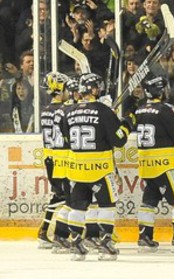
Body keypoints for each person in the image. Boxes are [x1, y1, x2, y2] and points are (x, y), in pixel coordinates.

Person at [59, 72, 129, 260]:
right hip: (100, 169)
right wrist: (126, 125)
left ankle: (75, 244)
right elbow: (119, 140)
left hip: (76, 169)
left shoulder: (68, 111)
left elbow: (65, 137)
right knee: (106, 205)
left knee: (78, 207)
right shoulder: (103, 111)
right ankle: (105, 243)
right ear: (95, 89)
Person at [125, 74, 174, 252]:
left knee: (149, 201)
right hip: (165, 163)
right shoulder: (164, 109)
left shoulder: (139, 109)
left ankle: (144, 236)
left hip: (146, 164)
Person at [37, 72, 71, 251]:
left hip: (50, 157)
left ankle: (44, 232)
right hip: (60, 159)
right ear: (60, 90)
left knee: (58, 195)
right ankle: (51, 233)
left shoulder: (46, 109)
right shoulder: (63, 110)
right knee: (67, 196)